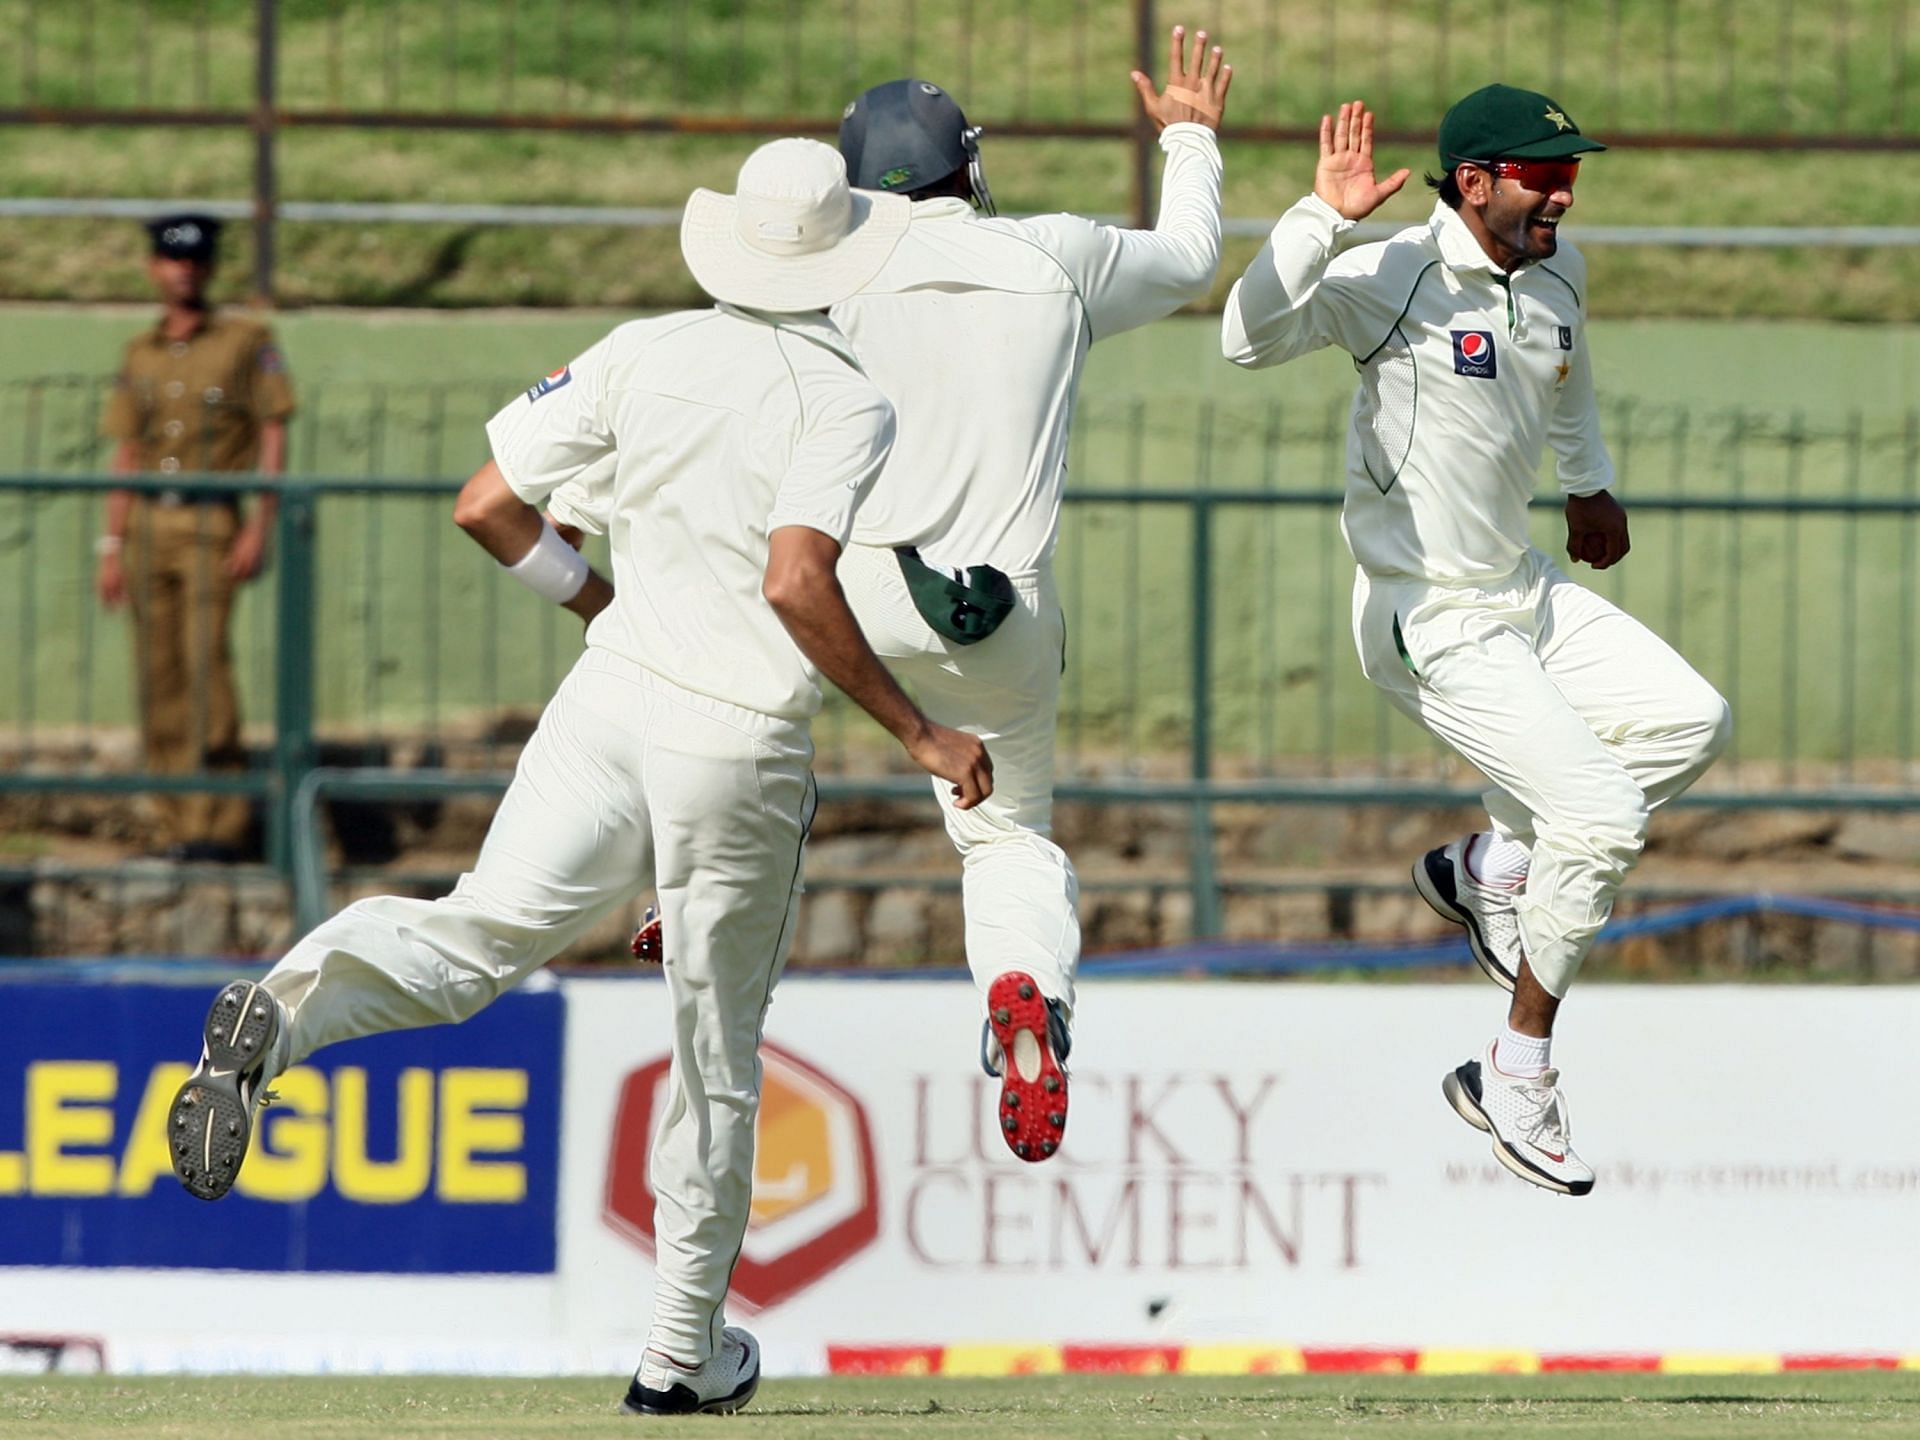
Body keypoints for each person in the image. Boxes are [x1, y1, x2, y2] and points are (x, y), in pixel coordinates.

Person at [165, 139, 990, 1417]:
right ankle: (682, 1354)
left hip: (611, 696)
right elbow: (793, 580)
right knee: (713, 1050)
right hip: (734, 738)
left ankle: (286, 1013)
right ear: (842, 259)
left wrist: (607, 605)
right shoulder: (847, 397)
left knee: (478, 932)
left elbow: (488, 503)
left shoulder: (641, 348)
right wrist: (920, 735)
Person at [1221, 87, 1730, 1197]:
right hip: (1429, 617)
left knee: (1693, 720)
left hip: (1524, 589)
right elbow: (1245, 337)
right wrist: (1321, 216)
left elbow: (1567, 378)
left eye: (1571, 171)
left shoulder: (1559, 272)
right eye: (1543, 173)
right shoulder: (1389, 278)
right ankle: (1516, 1072)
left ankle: (1494, 861)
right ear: (1474, 182)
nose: (1564, 189)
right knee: (1596, 812)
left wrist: (1590, 484)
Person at [822, 27, 1229, 1162]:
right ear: (969, 166)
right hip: (991, 612)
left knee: (745, 732)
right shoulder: (1053, 253)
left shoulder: (821, 283)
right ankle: (1022, 991)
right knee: (1004, 842)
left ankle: (674, 885)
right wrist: (1189, 139)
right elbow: (1192, 257)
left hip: (843, 595)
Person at [96, 214, 294, 861]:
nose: (184, 271)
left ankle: (221, 824)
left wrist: (260, 521)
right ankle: (175, 820)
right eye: (171, 260)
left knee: (207, 667)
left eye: (195, 261)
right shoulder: (141, 352)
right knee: (158, 675)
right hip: (149, 523)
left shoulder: (244, 341)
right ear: (154, 267)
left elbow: (272, 430)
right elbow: (127, 449)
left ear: (209, 268)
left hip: (213, 519)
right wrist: (111, 543)